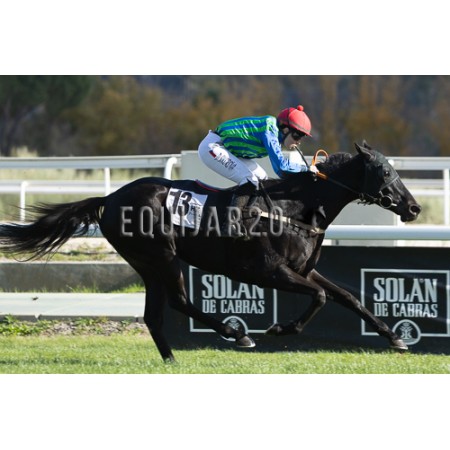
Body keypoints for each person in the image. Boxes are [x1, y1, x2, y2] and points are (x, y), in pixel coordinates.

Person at [198, 105, 317, 238]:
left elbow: (281, 171)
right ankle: (230, 224)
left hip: (227, 149)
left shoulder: (275, 135)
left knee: (262, 179)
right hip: (213, 146)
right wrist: (305, 169)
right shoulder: (270, 129)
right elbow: (281, 168)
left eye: (302, 137)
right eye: (297, 136)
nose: (299, 141)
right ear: (285, 129)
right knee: (250, 179)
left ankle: (249, 219)